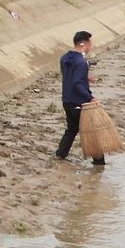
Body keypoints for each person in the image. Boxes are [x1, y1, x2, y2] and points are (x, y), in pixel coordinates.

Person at [55, 30, 103, 165]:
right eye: (89, 44)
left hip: (67, 100)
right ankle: (99, 162)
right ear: (83, 44)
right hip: (79, 102)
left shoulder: (64, 58)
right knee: (91, 131)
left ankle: (60, 154)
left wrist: (85, 77)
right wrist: (90, 97)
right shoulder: (81, 63)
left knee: (71, 129)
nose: (90, 47)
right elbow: (77, 83)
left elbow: (71, 76)